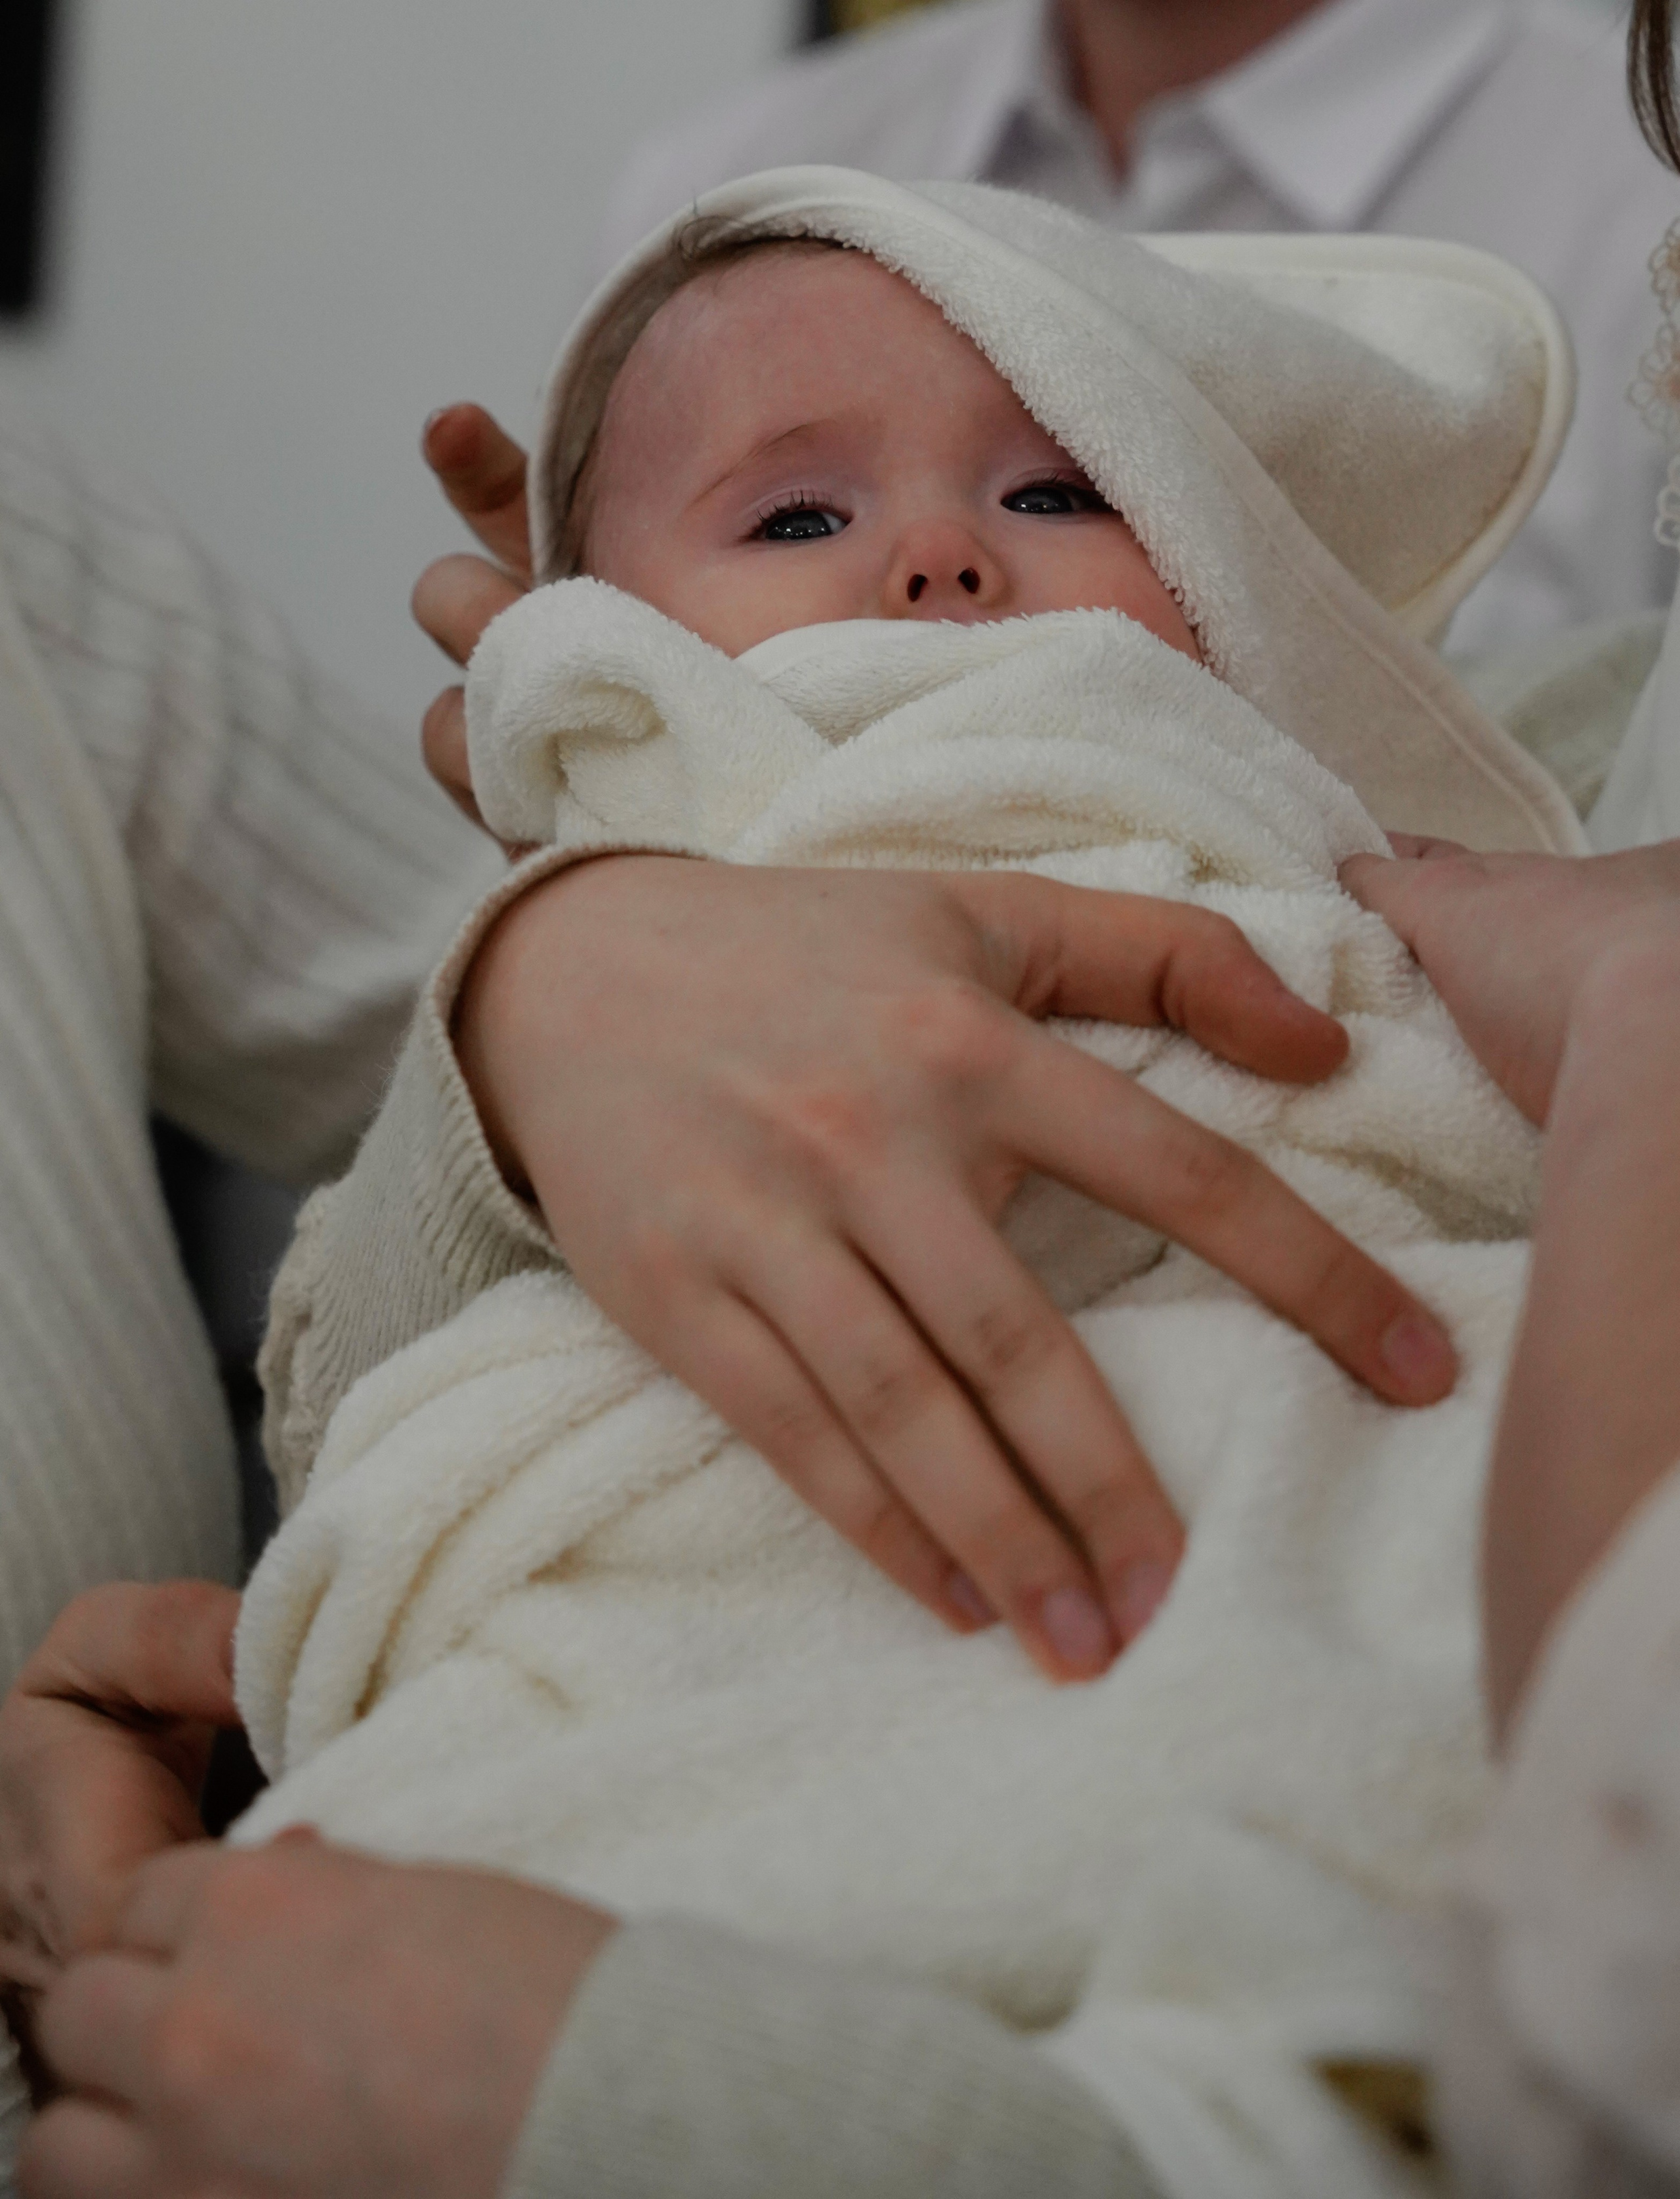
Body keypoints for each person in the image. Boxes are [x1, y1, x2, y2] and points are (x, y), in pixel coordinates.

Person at [598, 0, 1680, 660]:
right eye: (798, 521)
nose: (936, 562)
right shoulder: (720, 184)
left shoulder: (1645, 198)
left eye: (1053, 498)